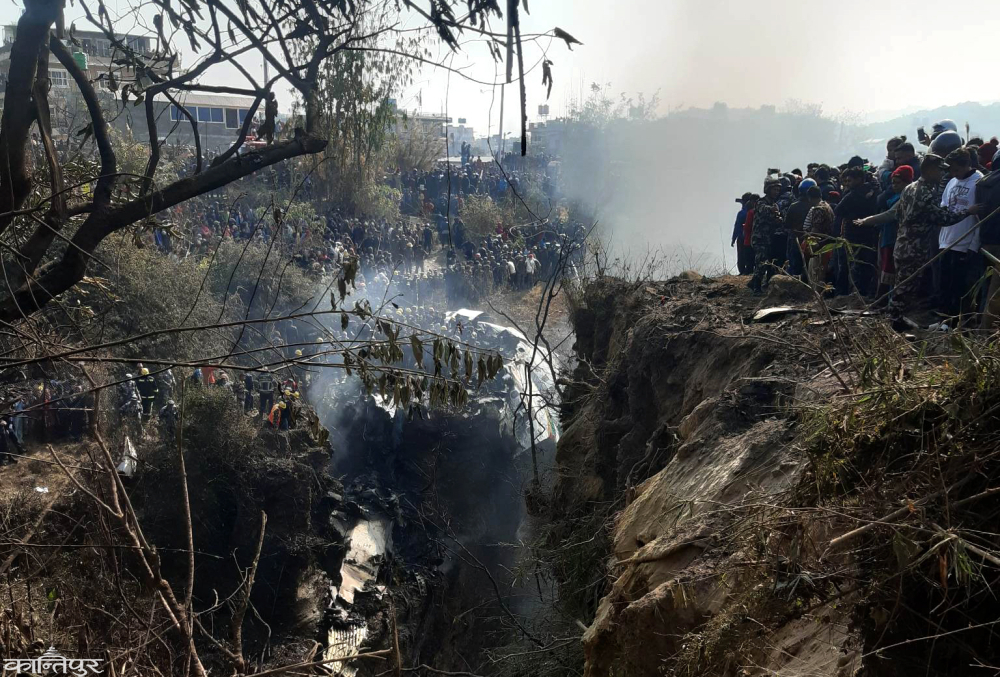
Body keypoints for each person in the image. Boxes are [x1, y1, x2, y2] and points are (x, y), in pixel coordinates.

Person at [858, 154, 981, 329]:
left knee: (903, 285)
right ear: (930, 170)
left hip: (903, 243)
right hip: (914, 248)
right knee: (906, 288)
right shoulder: (924, 192)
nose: (943, 175)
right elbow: (942, 218)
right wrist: (967, 212)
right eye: (940, 170)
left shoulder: (910, 188)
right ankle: (895, 324)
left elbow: (897, 213)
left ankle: (896, 320)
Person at [937, 148, 984, 320]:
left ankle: (955, 322)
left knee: (958, 287)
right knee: (944, 284)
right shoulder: (951, 182)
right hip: (946, 240)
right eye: (951, 170)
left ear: (967, 165)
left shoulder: (979, 182)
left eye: (956, 169)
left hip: (964, 242)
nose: (953, 173)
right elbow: (944, 206)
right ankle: (943, 320)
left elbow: (980, 218)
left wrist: (974, 244)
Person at [834, 168, 879, 297]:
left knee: (849, 266)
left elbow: (838, 211)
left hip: (853, 236)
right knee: (865, 266)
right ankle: (863, 294)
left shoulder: (852, 195)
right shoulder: (873, 190)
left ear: (859, 179)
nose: (847, 183)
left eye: (849, 180)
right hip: (869, 234)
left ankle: (846, 295)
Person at [977, 148, 1000, 331]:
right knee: (996, 291)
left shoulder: (982, 182)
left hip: (985, 240)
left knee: (986, 286)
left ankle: (982, 326)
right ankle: (988, 331)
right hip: (999, 243)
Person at [748, 178, 784, 293]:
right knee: (761, 263)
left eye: (778, 189)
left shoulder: (773, 203)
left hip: (768, 238)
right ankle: (756, 288)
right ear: (768, 189)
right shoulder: (761, 202)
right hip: (760, 238)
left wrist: (778, 219)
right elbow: (763, 210)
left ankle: (753, 282)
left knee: (767, 262)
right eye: (774, 189)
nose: (776, 192)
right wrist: (773, 210)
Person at [802, 186, 836, 288]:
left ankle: (817, 295)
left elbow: (816, 230)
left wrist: (809, 239)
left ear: (809, 198)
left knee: (816, 271)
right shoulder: (827, 206)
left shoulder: (818, 209)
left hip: (820, 245)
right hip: (827, 243)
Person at [783, 180, 816, 278]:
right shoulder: (815, 206)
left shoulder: (793, 206)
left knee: (794, 266)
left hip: (795, 240)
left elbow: (786, 224)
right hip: (811, 240)